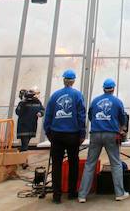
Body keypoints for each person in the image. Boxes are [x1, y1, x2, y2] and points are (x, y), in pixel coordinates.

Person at [78, 78, 129, 203]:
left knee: (90, 164)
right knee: (116, 163)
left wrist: (98, 124)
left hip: (95, 134)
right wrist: (121, 128)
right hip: (111, 135)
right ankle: (119, 193)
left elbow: (90, 116)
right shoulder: (117, 102)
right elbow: (123, 119)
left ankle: (82, 195)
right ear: (113, 89)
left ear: (103, 88)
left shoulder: (95, 101)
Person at [43, 69, 87, 204]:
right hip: (72, 135)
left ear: (64, 80)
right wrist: (82, 133)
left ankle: (56, 195)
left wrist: (48, 132)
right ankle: (72, 192)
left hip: (56, 134)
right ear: (73, 81)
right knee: (73, 163)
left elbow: (48, 114)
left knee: (56, 164)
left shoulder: (55, 96)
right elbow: (81, 115)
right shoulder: (78, 95)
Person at [15, 86, 44, 165]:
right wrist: (23, 102)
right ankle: (23, 161)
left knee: (25, 144)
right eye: (36, 94)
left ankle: (21, 158)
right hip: (24, 126)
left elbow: (42, 109)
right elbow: (18, 112)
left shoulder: (37, 102)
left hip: (32, 126)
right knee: (25, 143)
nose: (37, 96)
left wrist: (40, 113)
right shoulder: (23, 103)